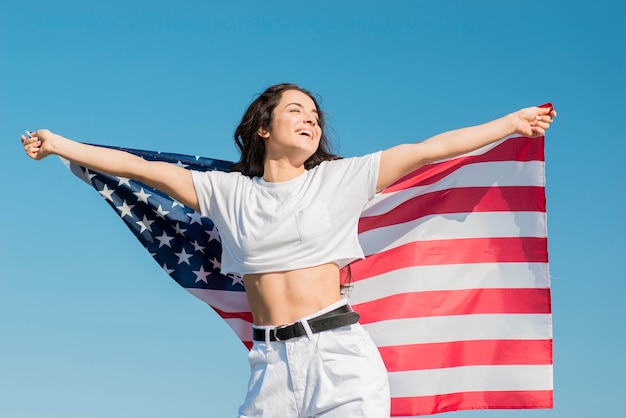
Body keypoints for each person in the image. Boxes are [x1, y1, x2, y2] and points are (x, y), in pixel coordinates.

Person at [21, 83, 556, 418]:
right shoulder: (226, 192)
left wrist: (511, 123)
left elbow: (425, 151)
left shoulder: (339, 180)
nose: (311, 120)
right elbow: (140, 169)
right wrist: (60, 143)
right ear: (263, 127)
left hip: (339, 357)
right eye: (296, 110)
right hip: (269, 366)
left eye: (315, 116)